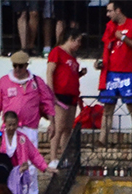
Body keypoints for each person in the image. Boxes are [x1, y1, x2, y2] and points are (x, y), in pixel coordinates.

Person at [100, 1, 132, 146]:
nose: (107, 14)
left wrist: (123, 38)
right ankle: (102, 140)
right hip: (111, 73)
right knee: (107, 108)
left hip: (128, 73)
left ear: (118, 10)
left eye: (110, 11)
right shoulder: (110, 27)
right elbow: (106, 48)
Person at [0, 51, 56, 152]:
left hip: (30, 129)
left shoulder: (37, 81)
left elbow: (47, 102)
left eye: (20, 66)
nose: (17, 69)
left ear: (26, 65)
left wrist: (52, 123)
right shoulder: (4, 81)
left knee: (30, 161)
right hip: (9, 128)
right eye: (15, 65)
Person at [47, 30, 86, 165]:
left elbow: (68, 76)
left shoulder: (72, 58)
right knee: (59, 126)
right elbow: (50, 72)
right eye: (78, 41)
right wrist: (51, 93)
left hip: (72, 95)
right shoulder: (57, 51)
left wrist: (79, 74)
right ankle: (53, 157)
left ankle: (64, 157)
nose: (79, 45)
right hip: (60, 94)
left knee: (68, 128)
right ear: (71, 38)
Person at [0, 110, 49, 194]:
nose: (11, 128)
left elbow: (34, 154)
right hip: (3, 172)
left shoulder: (22, 138)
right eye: (9, 125)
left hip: (18, 174)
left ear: (17, 124)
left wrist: (45, 167)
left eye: (14, 125)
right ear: (4, 123)